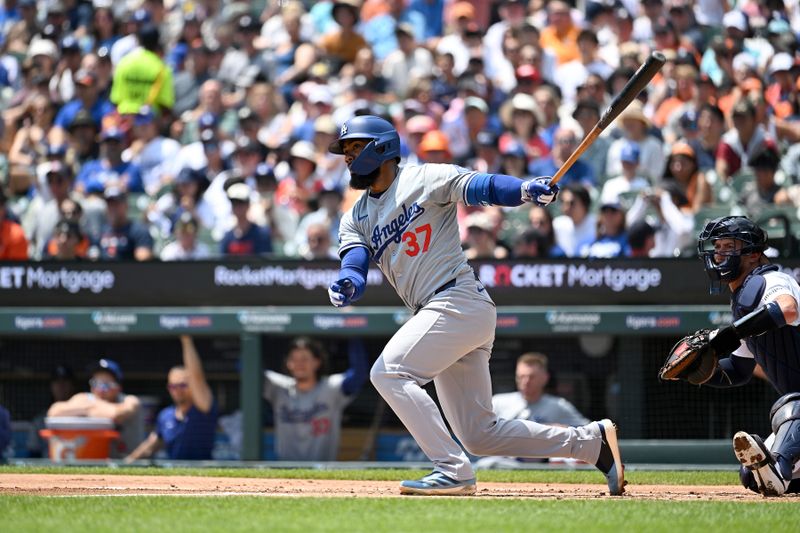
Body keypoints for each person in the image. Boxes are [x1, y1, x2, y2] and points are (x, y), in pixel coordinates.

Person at [325, 115, 624, 495]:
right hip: (445, 313)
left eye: (355, 147)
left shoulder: (424, 178)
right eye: (345, 151)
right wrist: (349, 282)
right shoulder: (355, 216)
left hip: (456, 298)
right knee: (480, 435)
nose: (348, 157)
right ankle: (588, 443)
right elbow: (353, 259)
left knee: (389, 373)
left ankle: (451, 469)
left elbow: (481, 186)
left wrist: (524, 190)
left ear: (382, 147)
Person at [664, 216, 800, 496]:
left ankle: (780, 467)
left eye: (728, 246)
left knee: (792, 407)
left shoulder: (772, 279)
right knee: (751, 476)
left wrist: (729, 335)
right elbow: (738, 370)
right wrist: (700, 373)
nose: (719, 254)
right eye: (717, 247)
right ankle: (780, 470)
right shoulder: (743, 303)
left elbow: (788, 309)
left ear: (752, 254)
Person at [263, 338, 369, 461]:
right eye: (294, 359)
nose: (299, 364)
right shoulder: (278, 387)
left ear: (317, 362)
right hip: (286, 470)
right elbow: (248, 369)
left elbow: (358, 374)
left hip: (324, 471)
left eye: (304, 359)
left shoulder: (331, 387)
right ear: (288, 363)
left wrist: (354, 334)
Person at [125, 336, 217, 461]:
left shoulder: (202, 408)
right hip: (175, 475)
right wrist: (127, 462)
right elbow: (151, 444)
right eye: (173, 386)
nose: (177, 390)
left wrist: (186, 341)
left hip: (203, 474)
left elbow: (197, 377)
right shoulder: (165, 415)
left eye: (182, 385)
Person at [47, 358, 144, 458]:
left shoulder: (129, 400)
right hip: (95, 462)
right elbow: (54, 411)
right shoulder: (83, 398)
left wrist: (89, 408)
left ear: (118, 387)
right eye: (96, 383)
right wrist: (91, 408)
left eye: (106, 385)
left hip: (126, 463)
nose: (100, 390)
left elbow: (117, 415)